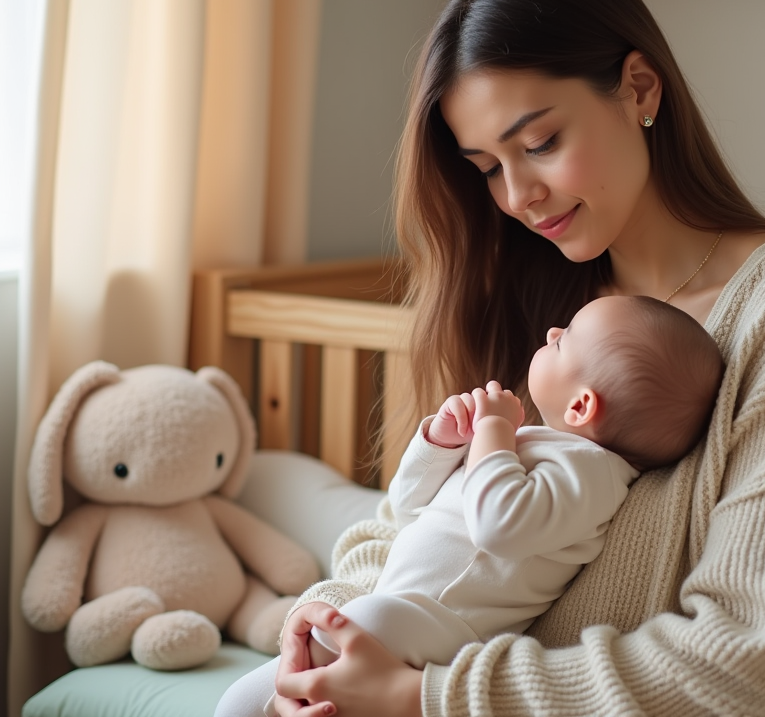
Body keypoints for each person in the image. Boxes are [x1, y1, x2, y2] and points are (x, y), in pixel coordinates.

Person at [248, 0, 765, 717]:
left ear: (639, 89)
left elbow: (753, 659)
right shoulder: (534, 295)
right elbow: (413, 534)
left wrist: (426, 696)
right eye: (486, 167)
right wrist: (325, 627)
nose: (517, 196)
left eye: (540, 143)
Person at [215, 295, 724, 717]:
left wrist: (493, 433)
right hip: (399, 608)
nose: (550, 332)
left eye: (564, 338)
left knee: (348, 631)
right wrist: (440, 445)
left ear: (581, 406)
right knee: (237, 703)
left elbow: (498, 526)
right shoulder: (536, 445)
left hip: (445, 630)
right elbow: (407, 508)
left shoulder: (593, 475)